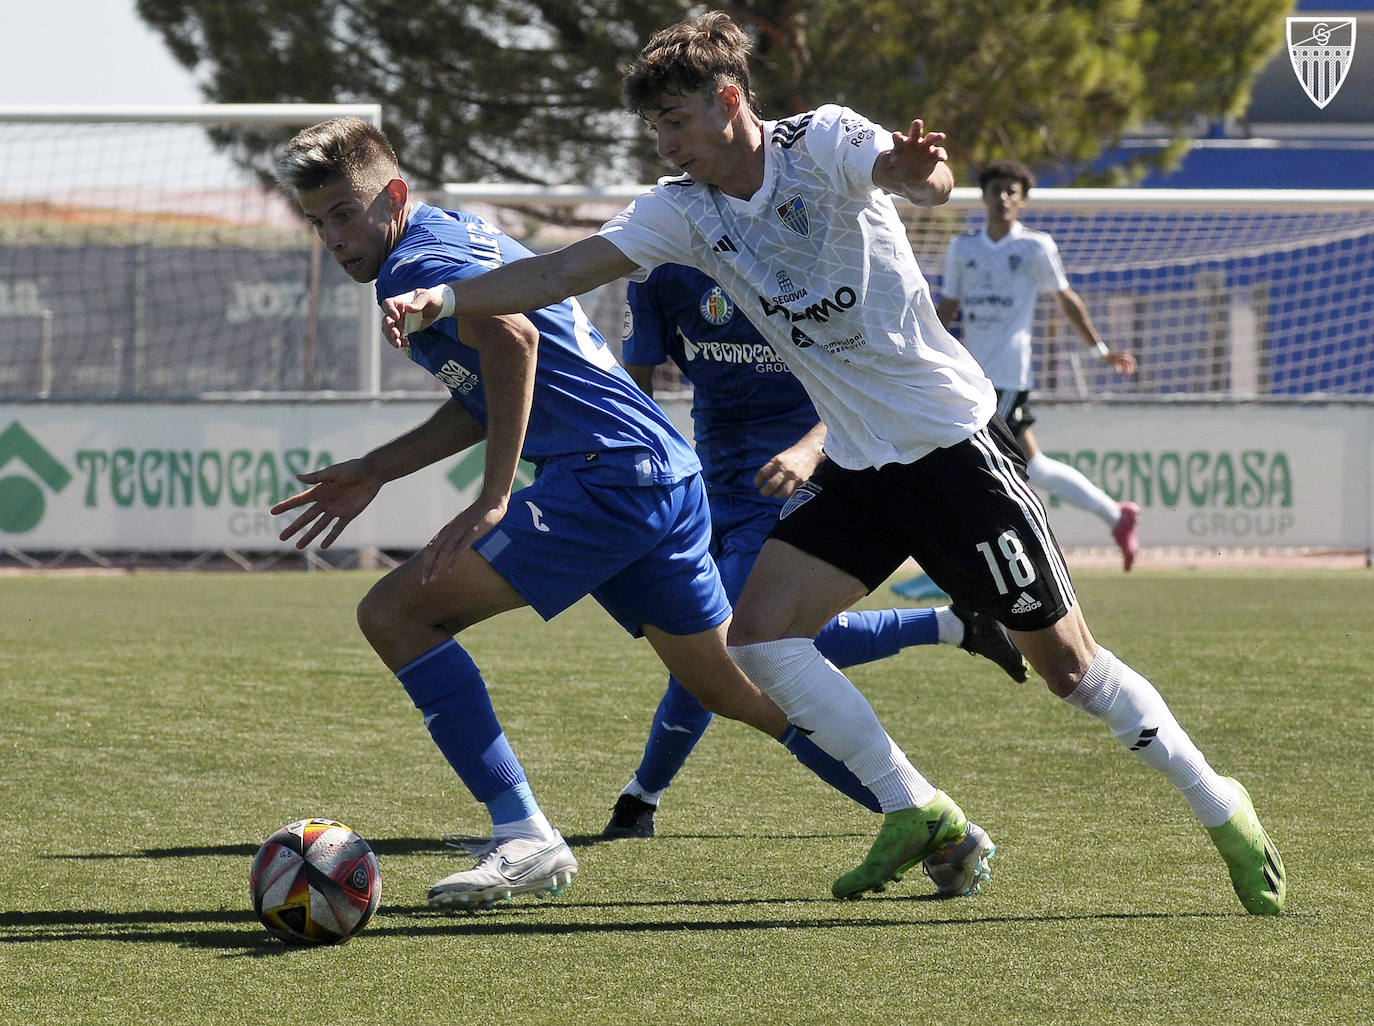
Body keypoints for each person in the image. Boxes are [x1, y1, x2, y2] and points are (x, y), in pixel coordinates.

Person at [384, 11, 1286, 915]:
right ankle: (914, 807)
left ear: (729, 99)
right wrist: (444, 298)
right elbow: (555, 275)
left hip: (953, 451)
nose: (665, 141)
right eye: (654, 126)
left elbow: (919, 177)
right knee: (761, 636)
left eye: (675, 120)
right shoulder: (683, 212)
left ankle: (1222, 806)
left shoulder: (822, 140)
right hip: (858, 466)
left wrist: (918, 168)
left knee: (1070, 671)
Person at [269, 116, 988, 913]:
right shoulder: (451, 235)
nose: (334, 237)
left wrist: (494, 496)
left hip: (606, 480)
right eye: (318, 221)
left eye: (345, 212)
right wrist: (375, 469)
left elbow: (511, 342)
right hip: (657, 473)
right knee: (732, 689)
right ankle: (930, 819)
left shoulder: (421, 258)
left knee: (395, 615)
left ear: (392, 197)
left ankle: (525, 836)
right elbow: (486, 391)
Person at [603, 261, 1026, 854]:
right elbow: (635, 388)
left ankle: (642, 795)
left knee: (729, 647)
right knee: (731, 645)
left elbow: (864, 376)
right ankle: (954, 625)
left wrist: (808, 448)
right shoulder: (659, 269)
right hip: (711, 486)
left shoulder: (787, 254)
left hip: (810, 488)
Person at [938, 160, 1142, 570]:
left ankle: (973, 564)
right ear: (984, 197)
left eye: (1012, 192)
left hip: (1009, 377)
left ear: (1023, 200)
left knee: (976, 468)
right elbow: (947, 308)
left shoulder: (1035, 246)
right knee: (1033, 466)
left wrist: (1098, 350)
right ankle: (1117, 517)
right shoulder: (963, 249)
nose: (1003, 198)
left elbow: (1065, 298)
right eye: (996, 190)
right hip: (973, 378)